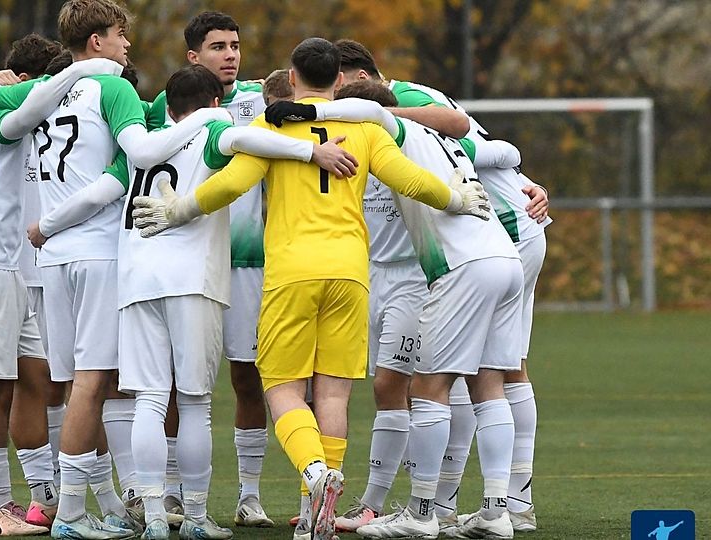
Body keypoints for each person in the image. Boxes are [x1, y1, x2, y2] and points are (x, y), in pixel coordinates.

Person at [131, 37, 491, 540]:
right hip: (351, 273)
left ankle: (315, 472)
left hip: (292, 272)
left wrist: (178, 210)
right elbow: (409, 179)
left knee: (282, 389)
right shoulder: (365, 128)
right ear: (340, 79)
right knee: (334, 394)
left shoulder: (274, 125)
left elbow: (231, 184)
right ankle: (313, 514)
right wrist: (457, 200)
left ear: (293, 78)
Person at [0, 1, 242, 537]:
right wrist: (209, 116)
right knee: (97, 384)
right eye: (120, 35)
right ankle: (72, 514)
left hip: (53, 258)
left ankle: (109, 502)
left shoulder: (44, 88)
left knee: (86, 384)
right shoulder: (112, 87)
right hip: (97, 250)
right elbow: (139, 153)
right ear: (97, 40)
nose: (126, 45)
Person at [335, 38, 551, 533]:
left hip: (464, 264)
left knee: (430, 386)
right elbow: (494, 145)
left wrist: (300, 108)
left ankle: (424, 513)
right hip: (502, 255)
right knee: (491, 381)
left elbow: (423, 135)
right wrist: (529, 183)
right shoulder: (441, 136)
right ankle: (500, 510)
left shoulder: (395, 126)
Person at [0, 32, 95, 538]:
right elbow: (24, 105)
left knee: (34, 377)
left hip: (5, 268)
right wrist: (87, 67)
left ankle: (28, 495)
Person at [145, 12, 276, 527]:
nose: (230, 54)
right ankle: (173, 492)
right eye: (218, 46)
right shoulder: (167, 106)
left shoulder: (262, 99)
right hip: (187, 261)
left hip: (247, 262)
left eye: (235, 45)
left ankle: (249, 495)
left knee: (248, 376)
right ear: (193, 56)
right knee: (177, 384)